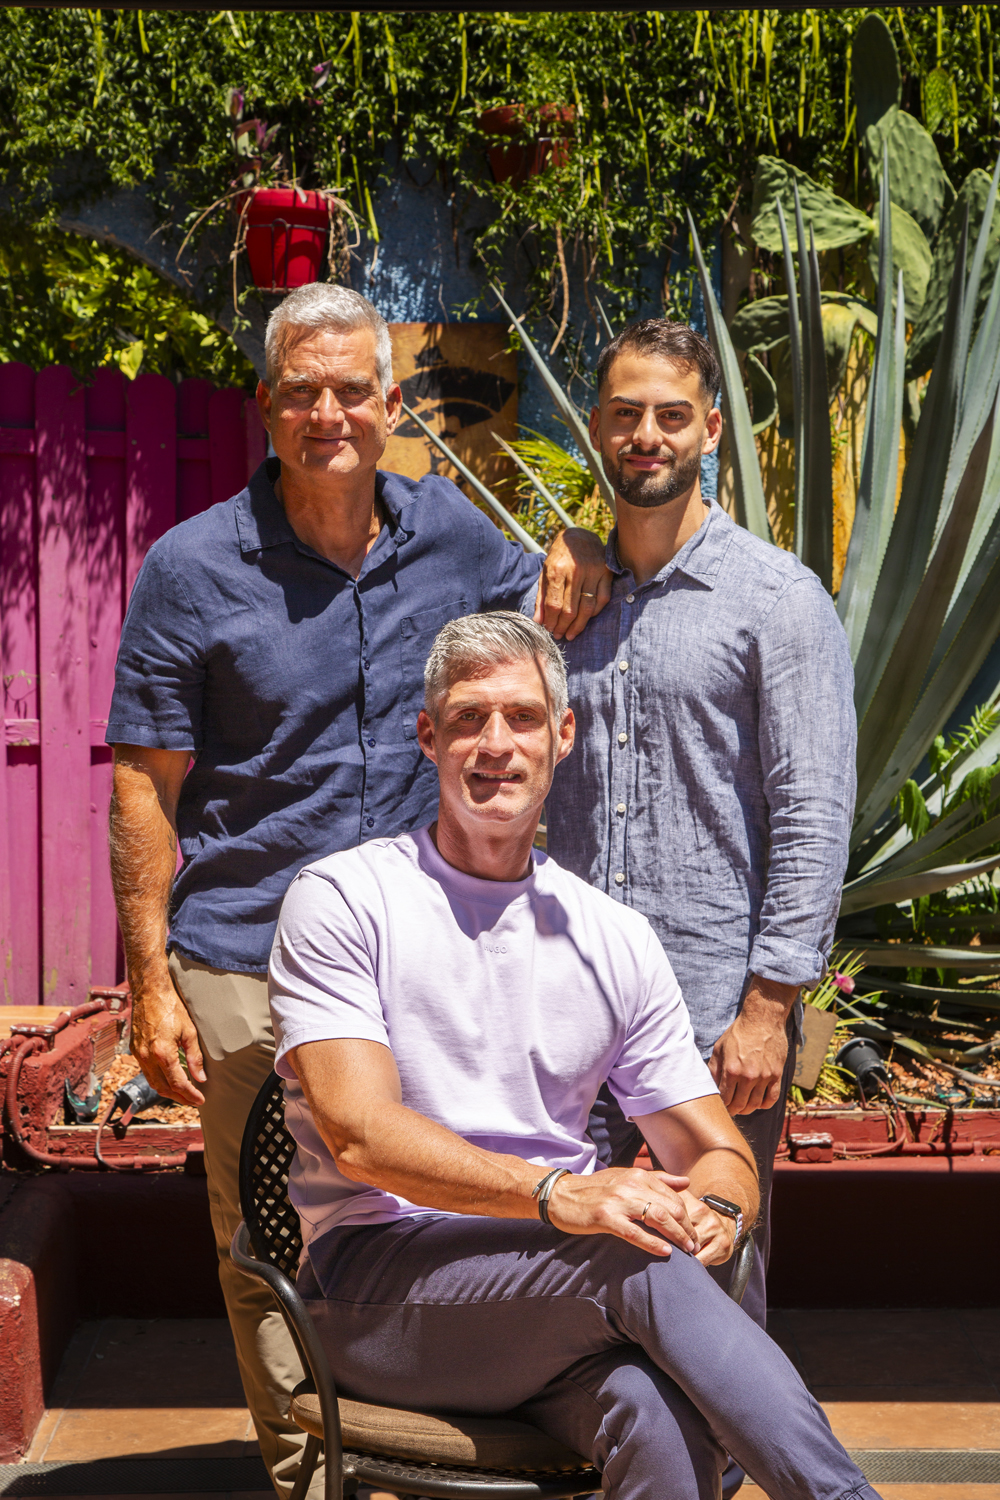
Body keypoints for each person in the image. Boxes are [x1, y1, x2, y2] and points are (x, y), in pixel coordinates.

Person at [105, 284, 611, 1500]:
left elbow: (549, 594)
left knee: (418, 1209)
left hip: (418, 953)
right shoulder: (191, 568)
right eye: (300, 390)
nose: (326, 413)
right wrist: (149, 986)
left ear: (390, 404)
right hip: (247, 954)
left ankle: (410, 1443)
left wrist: (580, 545)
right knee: (268, 1231)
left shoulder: (451, 538)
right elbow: (143, 785)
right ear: (265, 405)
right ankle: (309, 1476)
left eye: (349, 389)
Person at [268, 613, 880, 1500]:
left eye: (521, 717)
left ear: (562, 736)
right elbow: (361, 1137)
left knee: (656, 1413)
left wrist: (716, 1209)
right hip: (378, 1287)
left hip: (558, 1296)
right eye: (469, 718)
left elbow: (718, 1152)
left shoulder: (612, 936)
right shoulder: (343, 900)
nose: (496, 744)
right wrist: (559, 1195)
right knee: (634, 1258)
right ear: (429, 738)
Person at [544, 320, 856, 1360]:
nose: (648, 436)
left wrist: (769, 1010)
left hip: (713, 1016)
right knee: (567, 1278)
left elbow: (813, 811)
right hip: (565, 1006)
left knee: (715, 1284)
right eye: (625, 414)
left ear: (711, 430)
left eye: (671, 416)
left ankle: (722, 1451)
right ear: (596, 428)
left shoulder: (778, 601)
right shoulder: (557, 603)